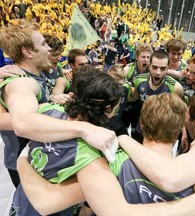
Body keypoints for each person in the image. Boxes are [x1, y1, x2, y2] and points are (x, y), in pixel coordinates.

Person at [15, 70, 195, 216]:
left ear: (141, 122)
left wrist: (23, 158)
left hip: (20, 202)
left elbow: (22, 122)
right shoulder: (97, 156)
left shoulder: (47, 113)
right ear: (179, 130)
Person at [0, 20, 117, 187]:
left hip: (40, 156)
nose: (48, 48)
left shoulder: (41, 75)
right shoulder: (21, 82)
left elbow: (59, 84)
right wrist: (85, 128)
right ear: (27, 52)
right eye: (42, 44)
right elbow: (23, 123)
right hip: (28, 162)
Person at [130, 50, 183, 143]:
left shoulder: (175, 88)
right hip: (141, 130)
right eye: (154, 67)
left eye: (162, 69)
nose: (158, 72)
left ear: (167, 68)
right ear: (149, 66)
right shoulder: (139, 80)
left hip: (161, 135)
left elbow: (178, 114)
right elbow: (133, 97)